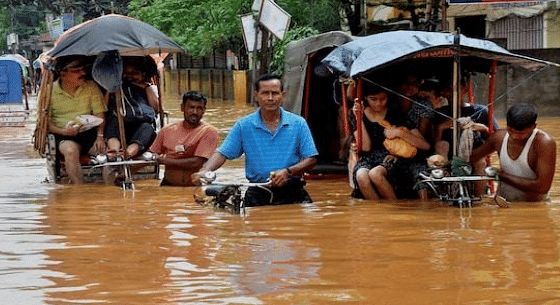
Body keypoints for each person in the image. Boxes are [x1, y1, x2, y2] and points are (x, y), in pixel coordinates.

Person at [192, 74, 318, 206]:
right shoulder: (244, 125)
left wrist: (288, 172)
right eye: (265, 93)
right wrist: (205, 171)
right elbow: (223, 154)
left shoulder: (298, 123)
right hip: (258, 192)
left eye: (274, 93)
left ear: (283, 95)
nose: (270, 98)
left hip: (292, 191)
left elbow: (311, 159)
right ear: (256, 95)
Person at [352, 85, 430, 200]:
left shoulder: (396, 114)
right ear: (366, 98)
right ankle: (378, 213)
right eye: (373, 99)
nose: (379, 103)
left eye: (383, 99)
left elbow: (425, 146)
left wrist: (399, 133)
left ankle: (393, 209)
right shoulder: (356, 114)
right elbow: (366, 147)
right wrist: (359, 118)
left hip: (391, 157)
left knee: (375, 174)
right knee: (361, 176)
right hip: (368, 157)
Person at [470, 103, 556, 202]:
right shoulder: (499, 138)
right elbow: (473, 157)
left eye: (521, 133)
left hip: (533, 207)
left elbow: (542, 187)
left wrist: (501, 176)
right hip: (503, 205)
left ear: (534, 126)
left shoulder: (544, 143)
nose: (514, 136)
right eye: (511, 131)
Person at [48, 56, 107, 184]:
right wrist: (64, 132)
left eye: (83, 69)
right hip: (63, 135)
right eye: (76, 70)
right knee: (71, 151)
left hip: (88, 132)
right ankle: (79, 189)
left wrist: (100, 136)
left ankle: (111, 188)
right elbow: (46, 124)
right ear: (63, 74)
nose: (83, 73)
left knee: (109, 155)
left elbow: (100, 113)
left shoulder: (90, 87)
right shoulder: (49, 92)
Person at [149, 91, 219, 186]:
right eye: (191, 107)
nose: (195, 112)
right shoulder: (167, 130)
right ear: (182, 108)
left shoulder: (209, 132)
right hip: (168, 185)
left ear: (204, 110)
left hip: (194, 187)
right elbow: (151, 155)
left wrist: (164, 161)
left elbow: (197, 163)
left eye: (199, 108)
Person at [105, 57, 160, 160]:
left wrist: (146, 88)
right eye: (127, 74)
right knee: (113, 121)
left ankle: (127, 153)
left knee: (147, 128)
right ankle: (114, 152)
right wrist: (111, 89)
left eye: (134, 73)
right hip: (120, 125)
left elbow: (157, 109)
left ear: (143, 75)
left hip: (139, 127)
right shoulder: (117, 87)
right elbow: (105, 107)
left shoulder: (149, 88)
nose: (130, 77)